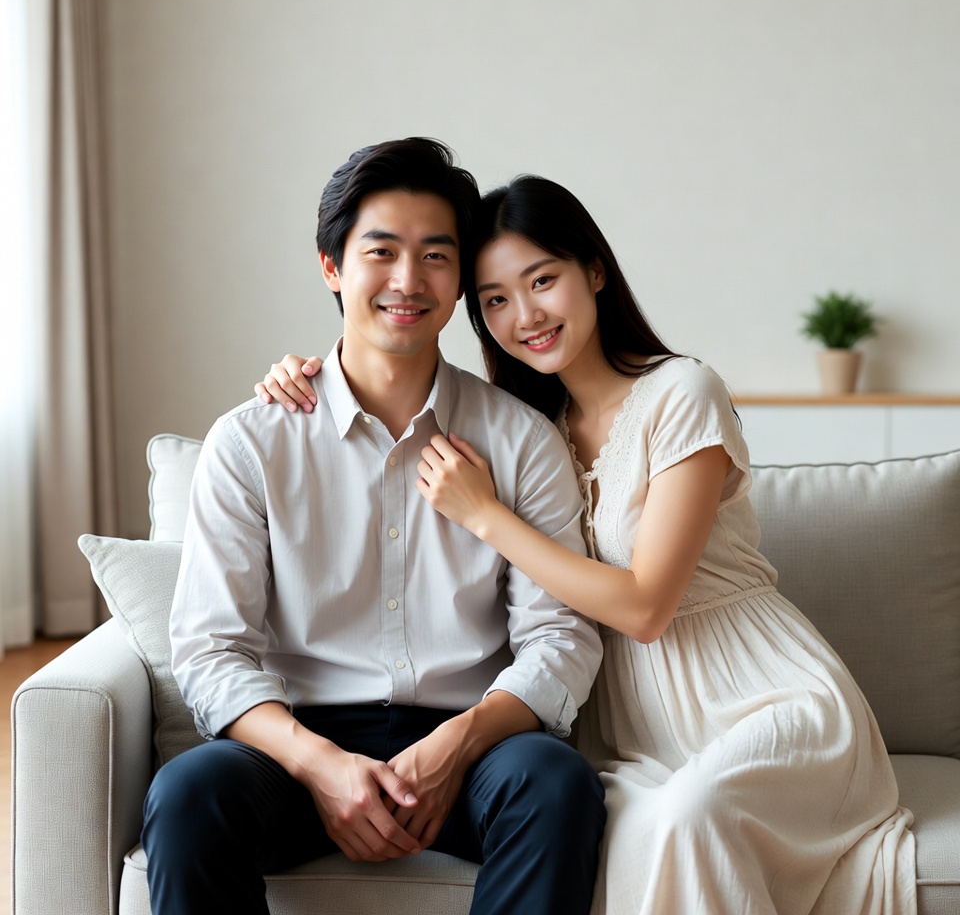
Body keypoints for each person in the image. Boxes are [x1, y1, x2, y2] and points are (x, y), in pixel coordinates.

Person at [258, 174, 917, 914]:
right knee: (613, 823)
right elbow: (385, 380)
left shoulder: (683, 395)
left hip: (754, 695)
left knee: (687, 820)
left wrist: (486, 518)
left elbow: (644, 608)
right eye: (497, 300)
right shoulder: (528, 430)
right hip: (632, 725)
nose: (526, 315)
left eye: (543, 281)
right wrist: (304, 371)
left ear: (594, 272)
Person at [144, 141, 606, 915]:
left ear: (459, 281)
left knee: (556, 785)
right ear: (332, 266)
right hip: (295, 746)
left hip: (474, 741)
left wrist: (456, 749)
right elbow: (209, 646)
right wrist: (320, 764)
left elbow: (562, 636)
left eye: (435, 255)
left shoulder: (522, 439)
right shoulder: (252, 439)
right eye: (381, 252)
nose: (407, 280)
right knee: (190, 791)